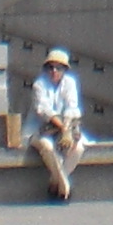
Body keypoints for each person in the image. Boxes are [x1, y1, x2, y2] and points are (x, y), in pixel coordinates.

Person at [26, 48, 86, 200]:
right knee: (47, 147)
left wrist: (66, 130)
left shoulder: (70, 83)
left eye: (58, 68)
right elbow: (44, 110)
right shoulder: (39, 85)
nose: (54, 71)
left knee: (78, 148)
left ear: (64, 69)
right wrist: (63, 128)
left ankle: (55, 182)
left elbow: (72, 107)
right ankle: (65, 187)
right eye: (50, 67)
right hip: (41, 130)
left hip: (65, 127)